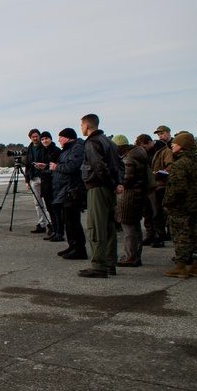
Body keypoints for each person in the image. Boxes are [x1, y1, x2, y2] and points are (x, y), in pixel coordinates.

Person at [79, 114, 124, 278]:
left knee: (96, 226)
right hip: (108, 188)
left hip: (98, 187)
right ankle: (110, 262)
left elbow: (98, 166)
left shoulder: (92, 142)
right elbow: (120, 164)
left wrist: (113, 184)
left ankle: (99, 265)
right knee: (109, 226)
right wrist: (118, 183)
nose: (81, 129)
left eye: (81, 125)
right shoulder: (109, 142)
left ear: (86, 126)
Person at [163, 131, 197, 278]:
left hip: (181, 206)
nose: (173, 145)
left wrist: (167, 202)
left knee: (180, 234)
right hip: (195, 203)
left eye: (175, 143)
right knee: (196, 233)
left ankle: (180, 266)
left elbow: (177, 187)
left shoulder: (180, 163)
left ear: (182, 146)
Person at [111, 135, 151, 267]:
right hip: (137, 194)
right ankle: (135, 254)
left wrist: (115, 183)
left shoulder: (129, 158)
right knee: (134, 226)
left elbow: (126, 178)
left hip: (128, 196)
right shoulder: (138, 155)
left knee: (128, 227)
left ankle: (130, 256)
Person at [50, 128, 87, 260]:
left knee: (73, 220)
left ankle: (79, 249)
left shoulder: (77, 148)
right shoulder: (67, 150)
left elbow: (73, 167)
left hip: (73, 189)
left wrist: (56, 167)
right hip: (65, 189)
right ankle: (72, 246)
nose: (59, 140)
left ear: (67, 138)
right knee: (67, 220)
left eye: (60, 137)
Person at [149, 125, 175, 246]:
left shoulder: (169, 149)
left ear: (168, 133)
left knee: (167, 210)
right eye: (158, 134)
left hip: (165, 183)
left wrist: (161, 172)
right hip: (155, 184)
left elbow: (171, 166)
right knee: (157, 212)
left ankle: (170, 233)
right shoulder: (155, 149)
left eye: (162, 133)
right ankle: (161, 234)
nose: (160, 136)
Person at [35, 132, 62, 241]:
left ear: (51, 139)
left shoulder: (56, 150)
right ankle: (54, 230)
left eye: (46, 138)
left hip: (53, 182)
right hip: (45, 181)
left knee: (56, 208)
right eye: (43, 139)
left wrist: (46, 166)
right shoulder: (43, 151)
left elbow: (56, 166)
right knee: (49, 208)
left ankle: (59, 232)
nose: (44, 141)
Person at [24, 129, 49, 233]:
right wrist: (26, 180)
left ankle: (51, 223)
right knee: (38, 203)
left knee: (48, 203)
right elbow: (27, 165)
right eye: (33, 137)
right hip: (33, 178)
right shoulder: (29, 149)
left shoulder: (45, 147)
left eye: (36, 136)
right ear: (30, 138)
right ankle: (41, 223)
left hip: (44, 177)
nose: (35, 138)